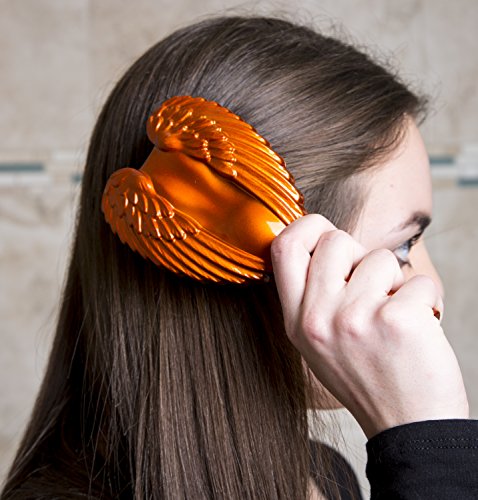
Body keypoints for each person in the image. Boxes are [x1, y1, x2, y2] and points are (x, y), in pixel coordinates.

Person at [2, 15, 477, 500]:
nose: (433, 291)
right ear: (259, 252)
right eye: (402, 246)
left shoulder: (324, 477)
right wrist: (430, 448)